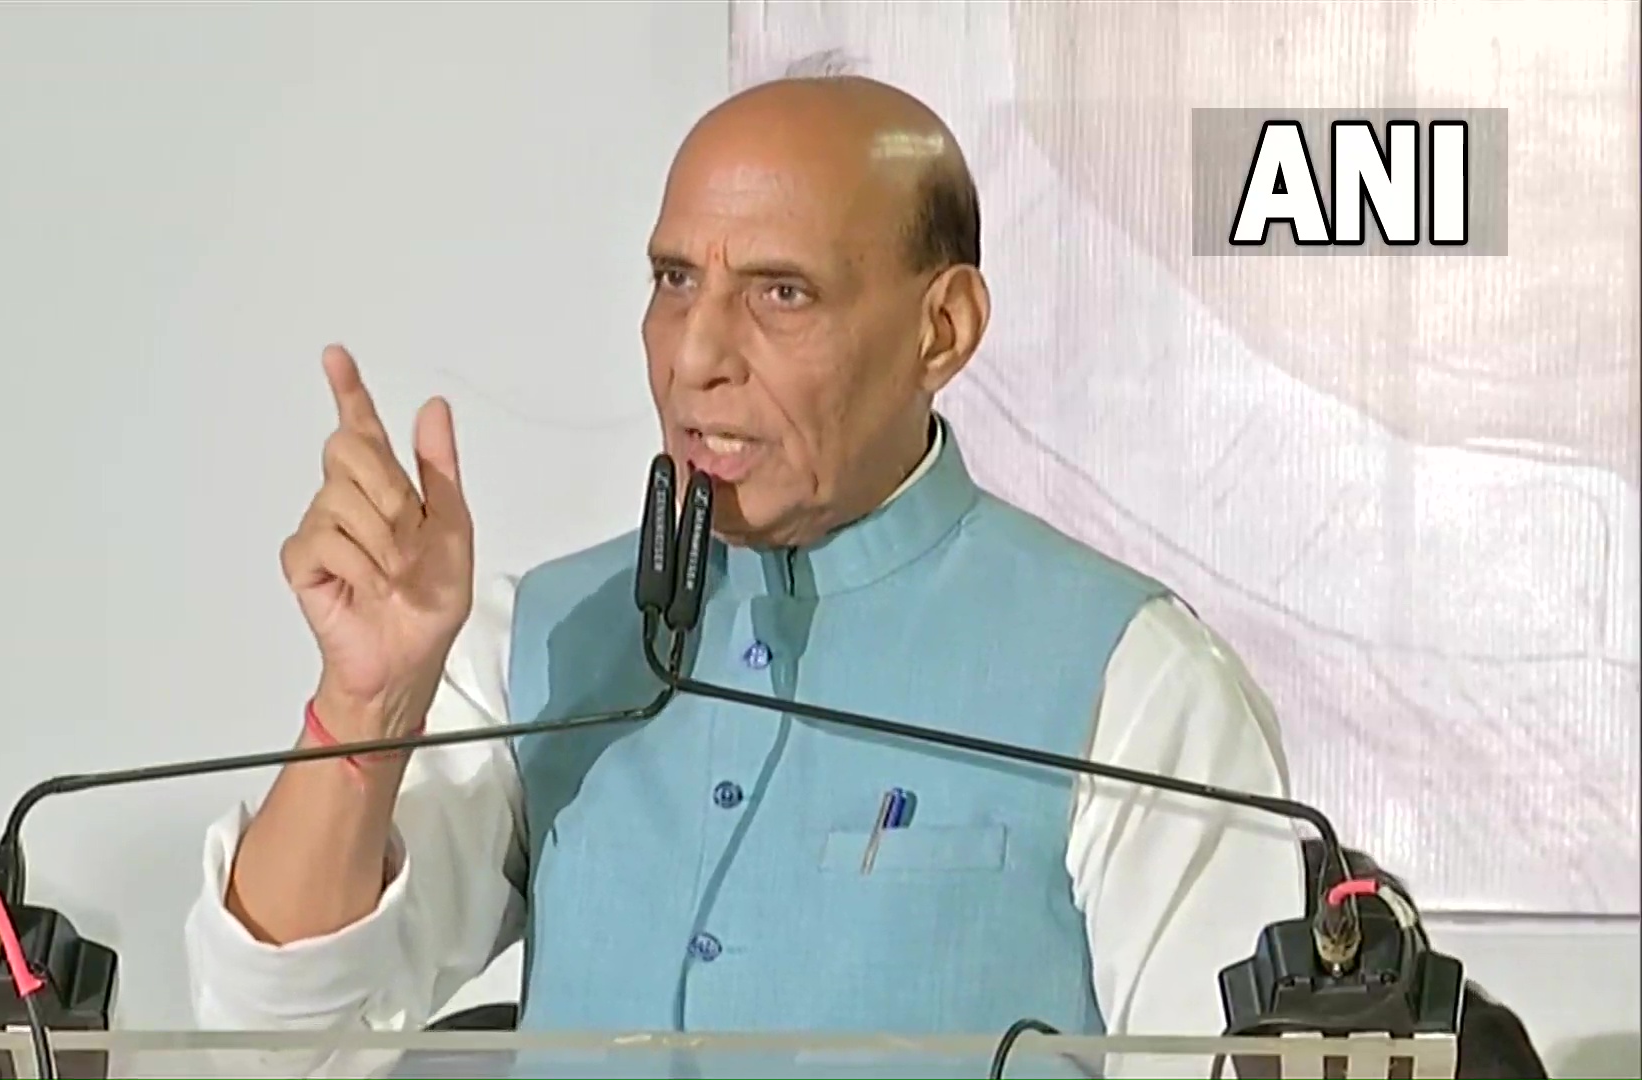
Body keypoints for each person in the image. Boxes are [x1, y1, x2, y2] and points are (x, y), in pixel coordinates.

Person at [184, 74, 1307, 1071]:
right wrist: (370, 703)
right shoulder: (544, 638)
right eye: (674, 279)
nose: (696, 355)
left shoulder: (1131, 680)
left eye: (782, 293)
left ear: (944, 329)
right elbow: (268, 1049)